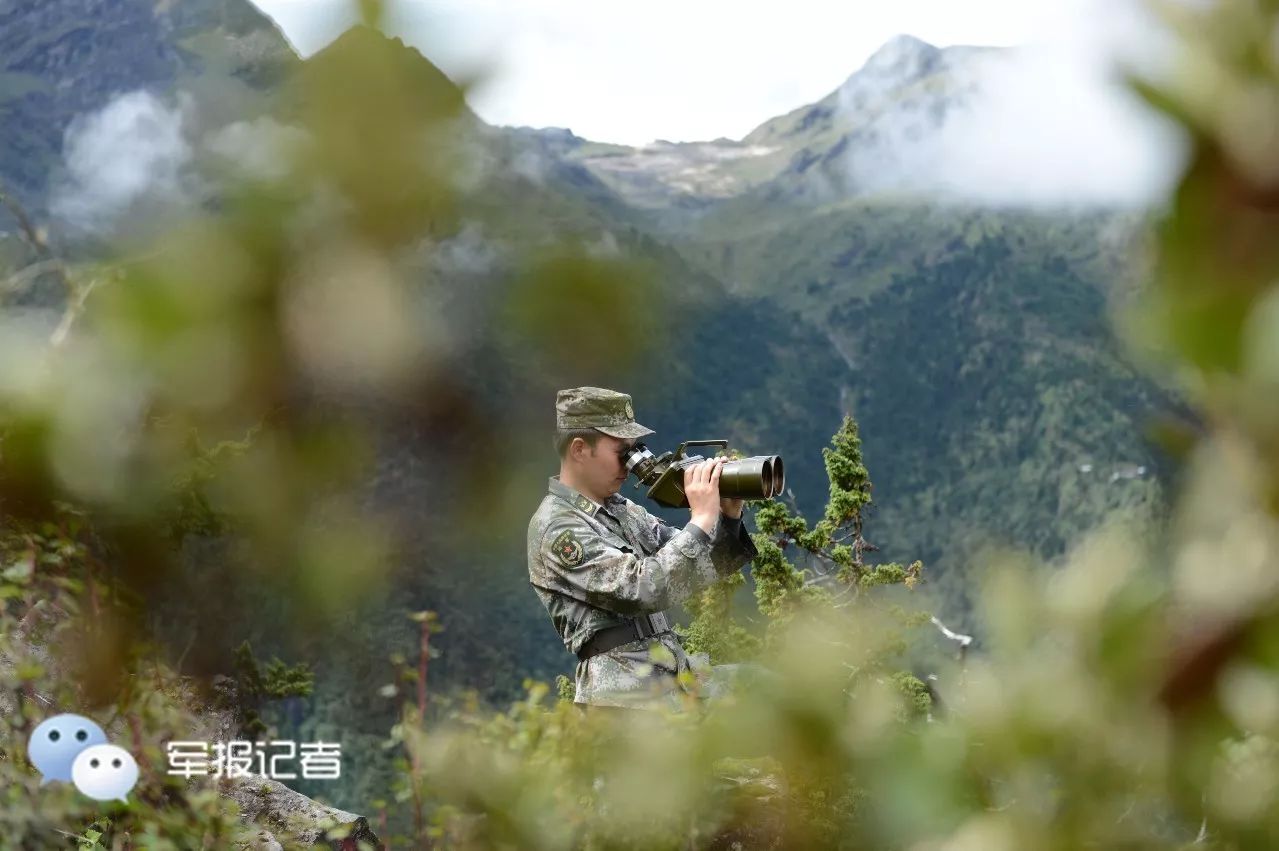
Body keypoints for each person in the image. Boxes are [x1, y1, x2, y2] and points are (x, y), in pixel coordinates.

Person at [526, 387, 758, 709]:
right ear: (579, 449)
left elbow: (695, 565)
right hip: (623, 699)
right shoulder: (558, 527)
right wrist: (701, 518)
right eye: (622, 452)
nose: (629, 465)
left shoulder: (622, 510)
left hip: (669, 677)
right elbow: (643, 589)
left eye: (635, 450)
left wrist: (727, 516)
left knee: (763, 686)